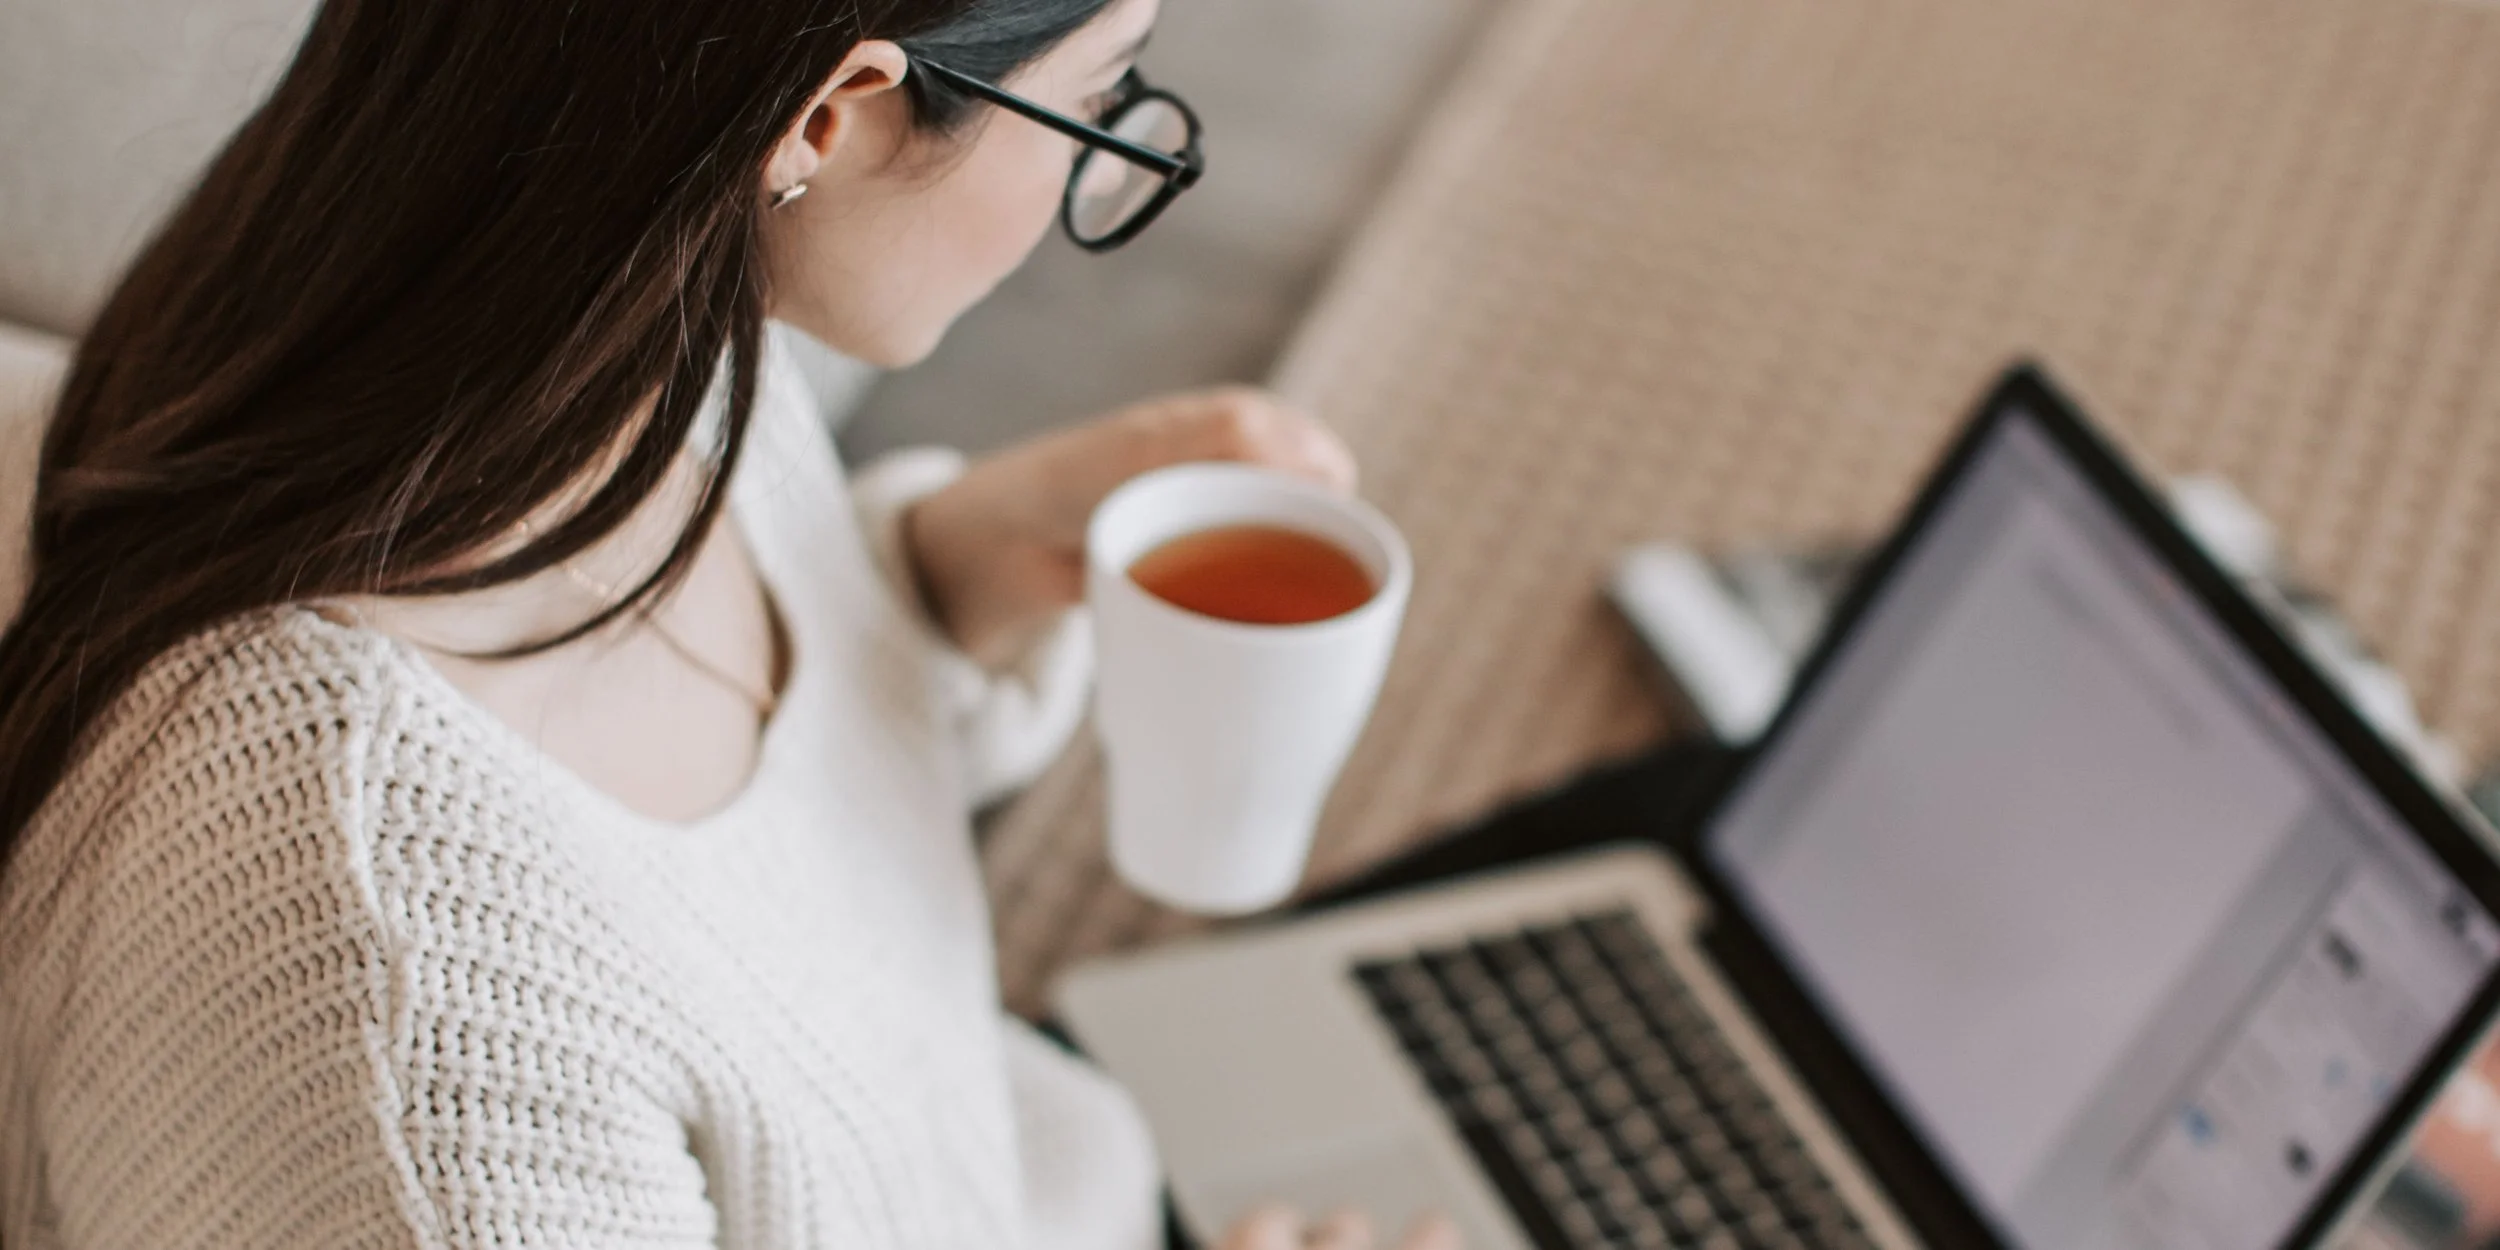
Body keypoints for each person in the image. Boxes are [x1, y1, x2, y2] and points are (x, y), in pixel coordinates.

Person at [0, 1, 1457, 1247]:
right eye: (1096, 106)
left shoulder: (594, 324)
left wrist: (936, 583)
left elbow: (714, 851)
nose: (1089, 165)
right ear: (833, 117)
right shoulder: (401, 1001)